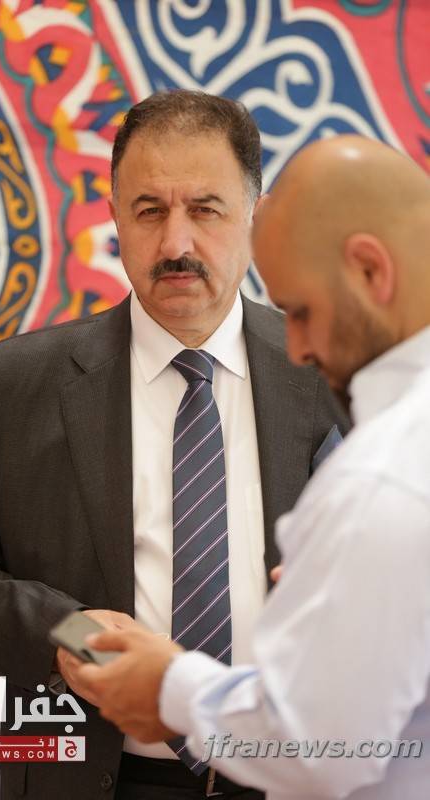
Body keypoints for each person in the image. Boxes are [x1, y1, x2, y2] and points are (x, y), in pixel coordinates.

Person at [0, 91, 346, 800]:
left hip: (296, 776)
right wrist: (63, 634)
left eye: (205, 209)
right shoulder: (15, 383)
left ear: (254, 216)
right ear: (113, 216)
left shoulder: (332, 374)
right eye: (148, 211)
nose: (175, 245)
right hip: (90, 778)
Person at [73, 135, 430, 800]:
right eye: (148, 210)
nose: (295, 347)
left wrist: (173, 688)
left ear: (369, 272)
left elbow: (320, 750)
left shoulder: (382, 478)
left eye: (302, 312)